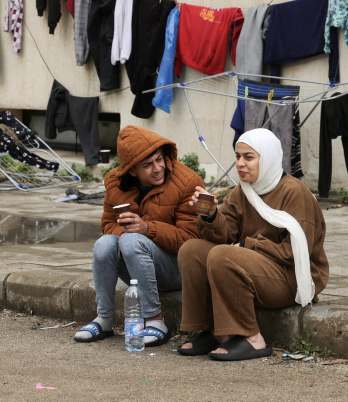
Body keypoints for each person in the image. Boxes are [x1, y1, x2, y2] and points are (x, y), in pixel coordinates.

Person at [176, 128, 328, 361]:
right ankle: (216, 332)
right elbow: (225, 235)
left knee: (222, 256)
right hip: (260, 268)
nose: (240, 164)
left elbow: (295, 252)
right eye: (238, 156)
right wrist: (209, 214)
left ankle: (253, 339)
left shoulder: (295, 192)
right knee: (192, 251)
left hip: (292, 276)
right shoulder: (243, 191)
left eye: (249, 157)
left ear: (266, 158)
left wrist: (248, 245)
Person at [75, 125, 205, 346]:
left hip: (178, 269)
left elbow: (191, 240)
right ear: (132, 171)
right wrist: (126, 231)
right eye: (147, 165)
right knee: (105, 243)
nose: (157, 168)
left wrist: (147, 229)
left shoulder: (187, 182)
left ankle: (155, 320)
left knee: (131, 240)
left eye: (159, 159)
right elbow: (107, 224)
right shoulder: (116, 184)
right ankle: (104, 318)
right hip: (137, 266)